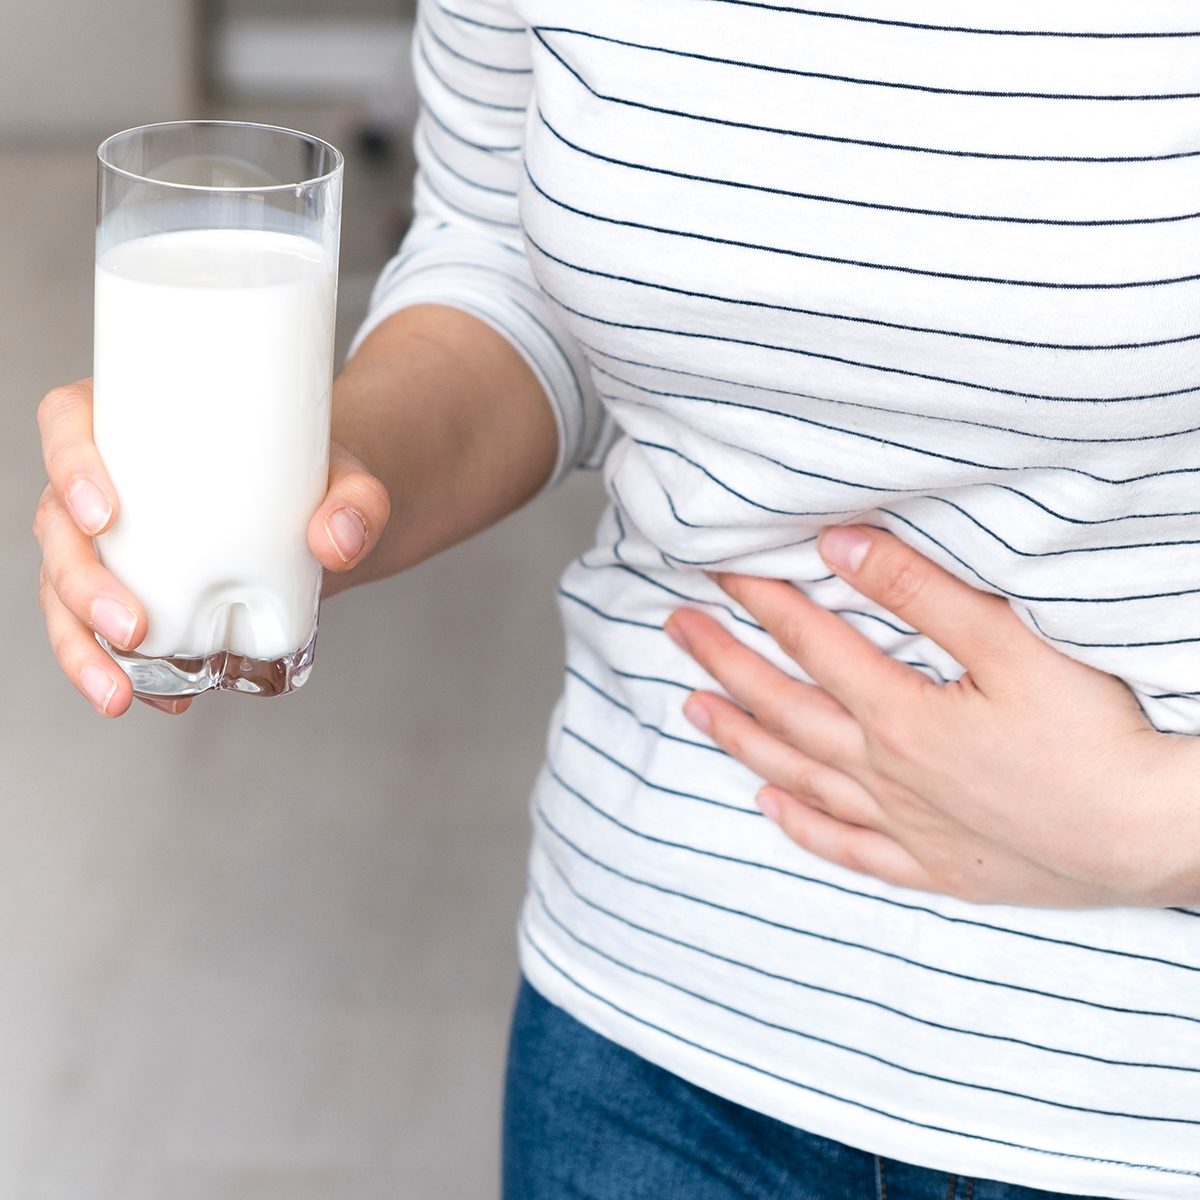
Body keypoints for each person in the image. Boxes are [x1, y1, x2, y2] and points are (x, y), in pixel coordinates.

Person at [33, 3, 1200, 1197]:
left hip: (1152, 1100)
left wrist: (1156, 828)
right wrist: (320, 480)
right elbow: (504, 256)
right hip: (655, 1028)